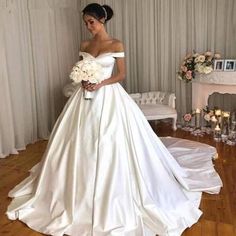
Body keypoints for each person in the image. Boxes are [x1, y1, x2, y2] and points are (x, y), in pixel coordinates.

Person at [6, 3, 222, 236]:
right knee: (77, 141)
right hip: (84, 97)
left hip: (109, 97)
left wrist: (99, 83)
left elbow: (120, 74)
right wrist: (84, 81)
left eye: (92, 22)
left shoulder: (116, 44)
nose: (88, 27)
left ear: (102, 20)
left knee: (111, 140)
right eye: (86, 23)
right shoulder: (85, 45)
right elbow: (82, 68)